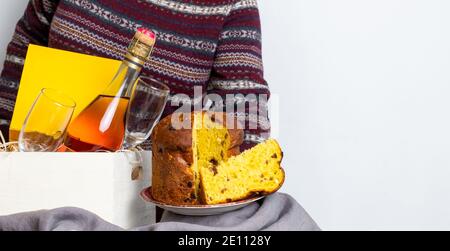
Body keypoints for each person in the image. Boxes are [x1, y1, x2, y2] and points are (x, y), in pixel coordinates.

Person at [0, 0, 270, 150]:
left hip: (139, 199)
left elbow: (246, 123)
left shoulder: (231, 7)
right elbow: (26, 46)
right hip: (35, 166)